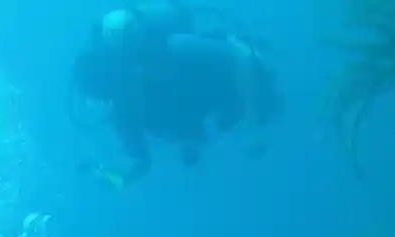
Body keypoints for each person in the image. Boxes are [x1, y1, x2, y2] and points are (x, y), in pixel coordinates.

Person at [72, 4, 281, 183]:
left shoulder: (170, 52)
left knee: (267, 103)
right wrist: (116, 179)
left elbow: (238, 55)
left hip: (233, 79)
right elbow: (140, 162)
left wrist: (253, 119)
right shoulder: (121, 111)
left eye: (110, 92)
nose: (115, 100)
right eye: (107, 97)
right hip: (209, 105)